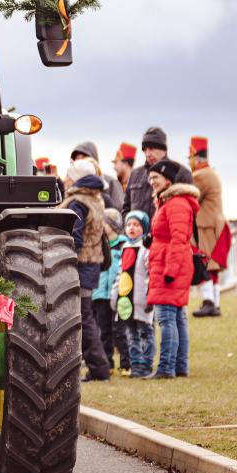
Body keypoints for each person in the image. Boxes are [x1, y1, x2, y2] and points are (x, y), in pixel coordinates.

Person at [146, 159, 199, 379]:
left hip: (169, 266)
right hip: (167, 263)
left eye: (155, 177)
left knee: (167, 318)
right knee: (177, 318)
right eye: (150, 178)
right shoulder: (168, 202)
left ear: (168, 179)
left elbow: (179, 239)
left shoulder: (176, 204)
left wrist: (170, 270)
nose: (152, 181)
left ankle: (166, 367)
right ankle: (179, 366)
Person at [60, 158, 110, 382]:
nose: (66, 179)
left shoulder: (77, 202)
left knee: (82, 317)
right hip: (92, 264)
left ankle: (99, 368)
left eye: (69, 175)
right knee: (85, 316)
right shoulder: (95, 199)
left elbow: (74, 238)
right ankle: (98, 367)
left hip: (79, 266)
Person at [188, 137, 230, 318]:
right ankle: (214, 303)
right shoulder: (210, 173)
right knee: (211, 267)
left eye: (190, 158)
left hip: (205, 226)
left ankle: (208, 302)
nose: (189, 162)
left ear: (196, 157)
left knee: (202, 263)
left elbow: (190, 195)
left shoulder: (201, 176)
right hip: (213, 224)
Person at [112, 210, 153, 378]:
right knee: (131, 334)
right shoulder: (125, 247)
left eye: (136, 225)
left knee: (145, 333)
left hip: (141, 299)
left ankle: (146, 365)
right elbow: (120, 274)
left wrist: (150, 296)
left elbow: (150, 273)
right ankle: (135, 365)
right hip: (126, 301)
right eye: (129, 225)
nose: (132, 228)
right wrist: (115, 295)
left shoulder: (146, 248)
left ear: (144, 228)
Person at [122, 126, 193, 219]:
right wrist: (129, 225)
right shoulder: (135, 174)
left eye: (151, 149)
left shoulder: (181, 173)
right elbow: (126, 209)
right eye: (145, 150)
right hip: (136, 229)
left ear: (164, 150)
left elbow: (188, 211)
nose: (147, 154)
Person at [93, 208, 128, 373]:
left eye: (104, 223)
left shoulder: (123, 245)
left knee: (119, 330)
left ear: (113, 225)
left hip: (118, 294)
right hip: (100, 294)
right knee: (103, 330)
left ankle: (126, 363)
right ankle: (108, 363)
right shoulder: (98, 245)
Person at [71, 142, 123, 209]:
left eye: (83, 158)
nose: (80, 161)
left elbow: (118, 210)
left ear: (93, 160)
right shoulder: (73, 185)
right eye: (77, 159)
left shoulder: (111, 182)